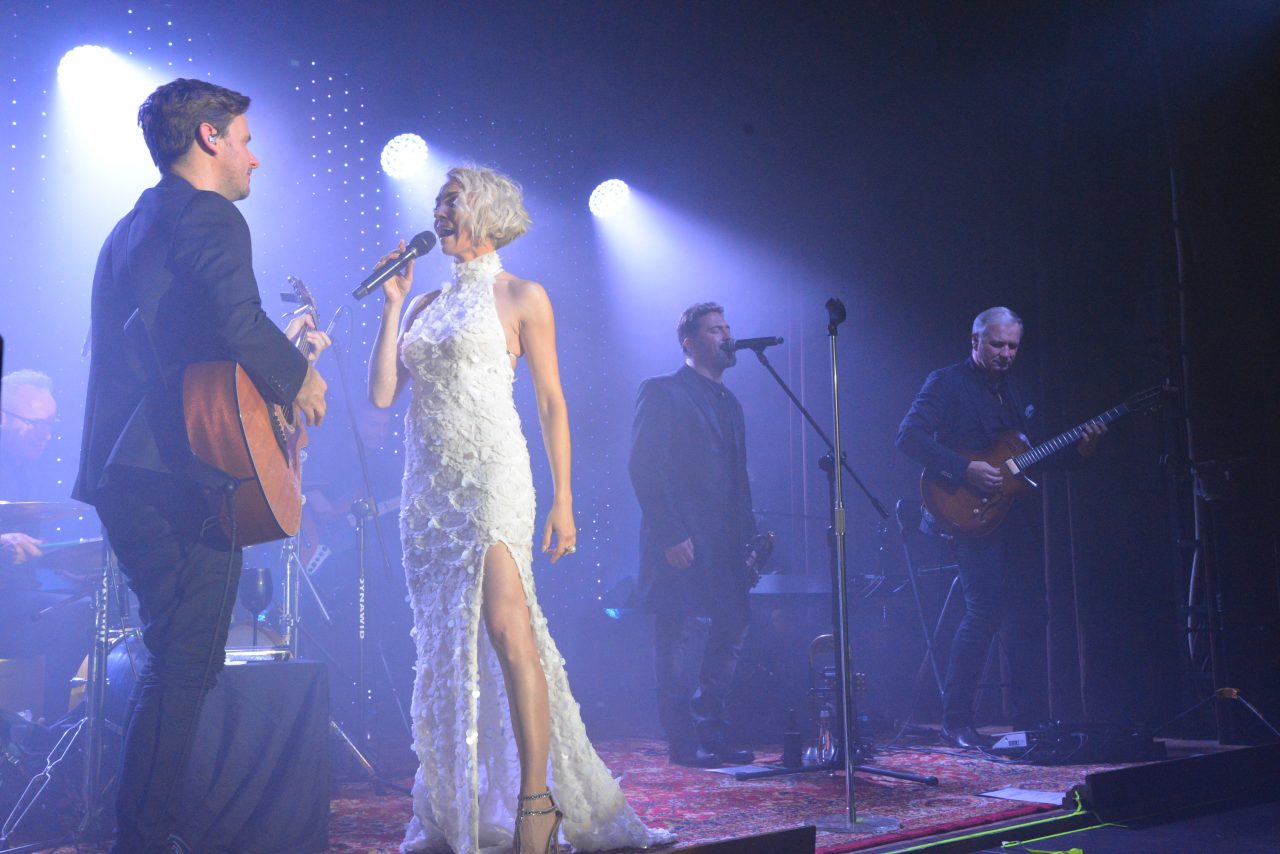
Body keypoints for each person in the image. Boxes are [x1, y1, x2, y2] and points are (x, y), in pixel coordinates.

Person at [368, 165, 671, 854]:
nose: (439, 211)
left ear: (485, 210)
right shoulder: (423, 303)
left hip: (491, 479)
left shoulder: (520, 294)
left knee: (510, 630)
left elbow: (552, 401)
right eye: (437, 201)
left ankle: (538, 802)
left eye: (451, 200)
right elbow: (383, 394)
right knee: (447, 643)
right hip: (430, 494)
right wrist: (391, 305)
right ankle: (460, 801)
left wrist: (564, 499)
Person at [73, 78, 329, 853]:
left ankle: (145, 832)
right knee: (185, 660)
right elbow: (238, 320)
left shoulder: (134, 223)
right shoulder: (211, 214)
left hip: (126, 469)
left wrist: (273, 357)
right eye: (245, 140)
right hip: (180, 473)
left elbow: (195, 345)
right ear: (210, 137)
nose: (255, 157)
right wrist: (300, 376)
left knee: (175, 657)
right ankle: (144, 839)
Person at [896, 306, 1103, 750]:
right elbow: (908, 436)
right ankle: (955, 720)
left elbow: (1034, 458)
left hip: (1013, 516)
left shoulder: (1018, 391)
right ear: (975, 341)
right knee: (984, 612)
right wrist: (966, 469)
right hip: (967, 514)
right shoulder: (946, 383)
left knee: (1031, 614)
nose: (1005, 353)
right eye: (997, 344)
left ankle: (1029, 721)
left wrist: (1081, 451)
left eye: (1012, 346)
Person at [628, 302, 758, 768]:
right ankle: (683, 742)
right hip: (681, 539)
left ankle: (712, 729)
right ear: (690, 342)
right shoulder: (663, 391)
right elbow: (645, 466)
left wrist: (749, 540)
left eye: (727, 327)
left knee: (733, 626)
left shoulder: (730, 402)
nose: (726, 335)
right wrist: (670, 533)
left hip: (725, 543)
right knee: (677, 636)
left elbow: (738, 478)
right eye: (715, 329)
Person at [0, 369, 94, 722]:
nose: (46, 434)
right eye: (36, 423)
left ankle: (58, 724)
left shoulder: (31, 471)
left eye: (50, 424)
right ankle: (52, 726)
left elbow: (30, 555)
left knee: (88, 610)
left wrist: (66, 566)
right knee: (76, 617)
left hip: (12, 604)